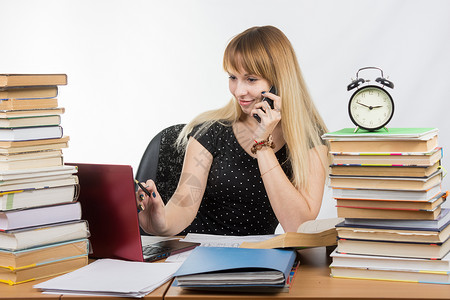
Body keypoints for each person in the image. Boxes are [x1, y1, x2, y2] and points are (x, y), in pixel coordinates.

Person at [137, 25, 329, 236]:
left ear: (279, 82)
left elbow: (298, 227)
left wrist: (262, 144)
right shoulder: (212, 132)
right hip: (195, 255)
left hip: (256, 262)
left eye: (251, 79)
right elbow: (183, 205)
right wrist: (160, 223)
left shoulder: (309, 139)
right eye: (232, 77)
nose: (239, 91)